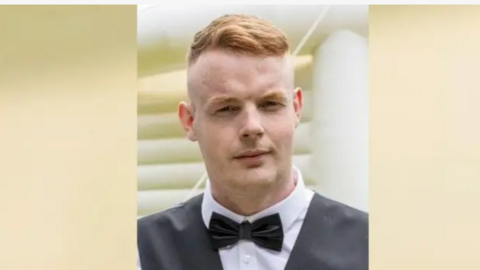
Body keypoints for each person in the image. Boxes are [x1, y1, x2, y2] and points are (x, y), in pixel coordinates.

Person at [137, 14, 368, 270]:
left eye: (270, 104)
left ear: (296, 108)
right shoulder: (137, 250)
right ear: (190, 121)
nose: (252, 127)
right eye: (227, 108)